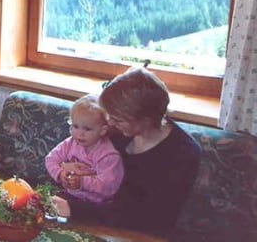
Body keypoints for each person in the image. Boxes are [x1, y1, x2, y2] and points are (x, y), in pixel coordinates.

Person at [52, 67, 201, 238]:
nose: (110, 123)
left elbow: (153, 217)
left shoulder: (183, 153)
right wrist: (66, 168)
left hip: (142, 233)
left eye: (118, 119)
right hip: (94, 217)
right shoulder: (118, 132)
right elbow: (73, 150)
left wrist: (76, 210)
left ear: (145, 119)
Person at [45, 94, 123, 204]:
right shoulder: (70, 142)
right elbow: (50, 159)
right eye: (75, 126)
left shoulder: (108, 154)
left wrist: (82, 182)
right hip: (68, 194)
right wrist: (60, 173)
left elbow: (109, 186)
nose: (80, 134)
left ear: (102, 130)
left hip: (95, 203)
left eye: (87, 129)